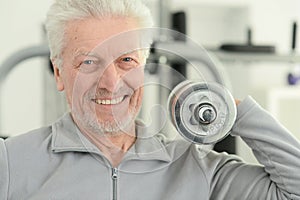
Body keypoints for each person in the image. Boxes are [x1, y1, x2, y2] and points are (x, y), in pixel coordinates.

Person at [0, 0, 300, 199]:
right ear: (59, 73)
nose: (110, 83)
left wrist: (232, 110)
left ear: (144, 68)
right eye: (88, 62)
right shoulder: (10, 162)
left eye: (127, 60)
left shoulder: (198, 169)